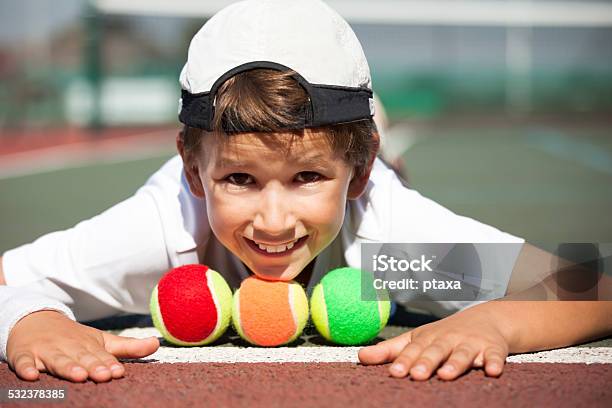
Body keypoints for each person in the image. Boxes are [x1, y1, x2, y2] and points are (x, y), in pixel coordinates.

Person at [1, 0, 610, 384]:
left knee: (376, 173)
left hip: (374, 171)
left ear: (358, 177)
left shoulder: (387, 245)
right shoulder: (162, 230)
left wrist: (499, 322)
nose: (272, 220)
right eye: (238, 179)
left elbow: (595, 283)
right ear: (192, 171)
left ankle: (377, 149)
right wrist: (27, 322)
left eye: (306, 178)